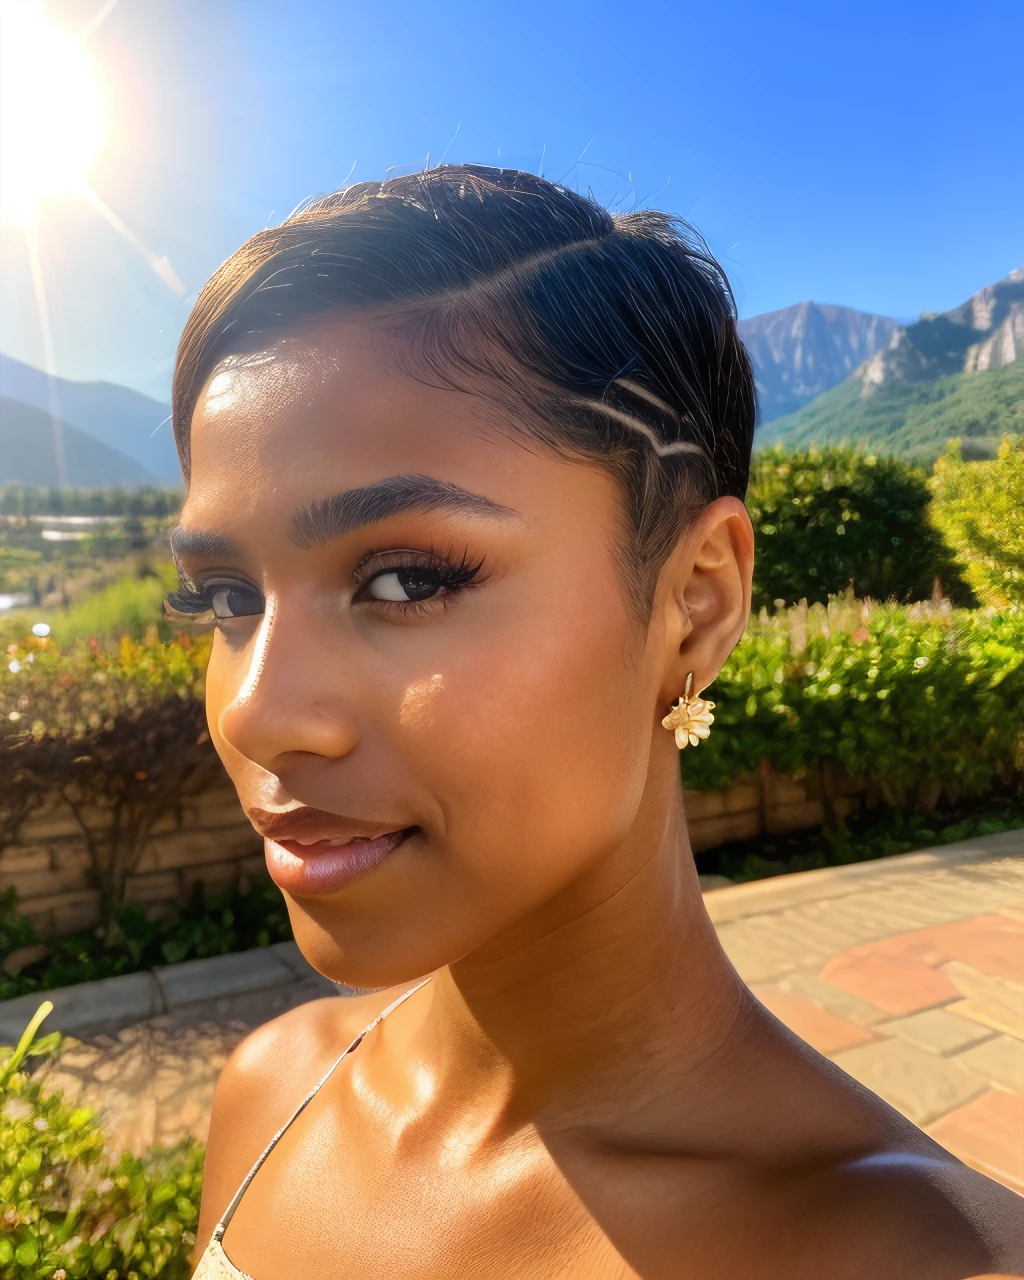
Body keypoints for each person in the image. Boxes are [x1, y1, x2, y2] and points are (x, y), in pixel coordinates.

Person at [169, 166, 1023, 1280]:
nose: (258, 711)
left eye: (405, 578)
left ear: (696, 600)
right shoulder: (272, 1090)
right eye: (229, 599)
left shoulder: (912, 1255)